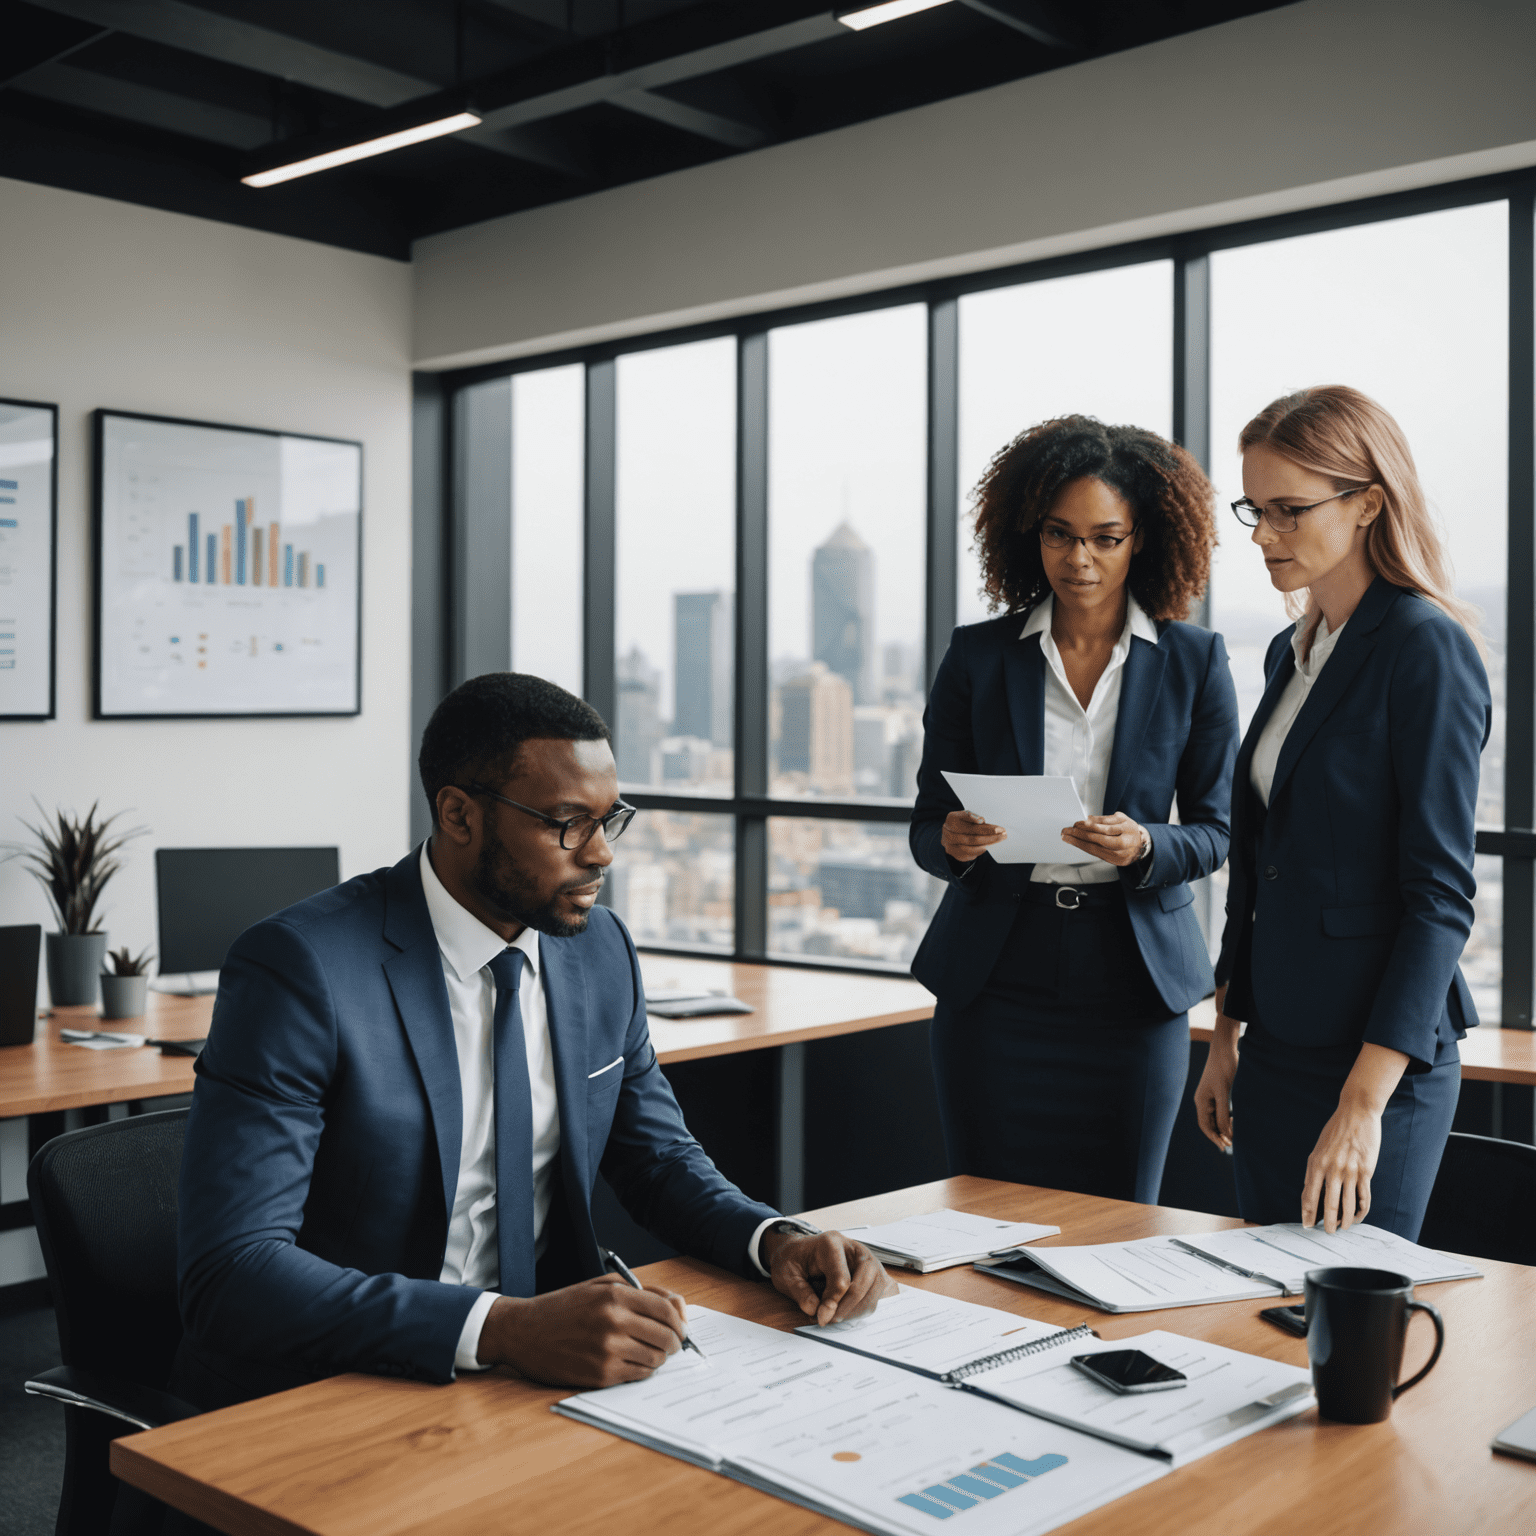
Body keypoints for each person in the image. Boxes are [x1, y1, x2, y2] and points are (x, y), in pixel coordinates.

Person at [174, 673, 894, 1410]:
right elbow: (233, 1272)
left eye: (610, 820)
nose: (601, 856)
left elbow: (657, 1158)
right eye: (566, 822)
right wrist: (503, 1329)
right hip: (353, 1378)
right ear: (459, 815)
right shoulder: (303, 967)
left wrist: (773, 1240)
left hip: (544, 1372)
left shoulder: (598, 948)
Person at [911, 415, 1239, 1203]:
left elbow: (1218, 829)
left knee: (1122, 1217)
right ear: (1030, 535)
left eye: (1105, 537)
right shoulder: (979, 656)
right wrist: (953, 840)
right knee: (983, 1215)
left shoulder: (1193, 661)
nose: (1079, 559)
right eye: (1060, 535)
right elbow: (927, 825)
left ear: (1142, 541)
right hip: (997, 977)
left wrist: (1148, 845)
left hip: (1130, 983)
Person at [1194, 386, 1490, 1240]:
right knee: (1263, 1314)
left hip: (1377, 1066)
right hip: (1277, 1047)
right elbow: (1263, 865)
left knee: (1350, 1330)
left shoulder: (1422, 646)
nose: (1261, 535)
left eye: (1289, 510)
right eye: (1255, 508)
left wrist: (1363, 1105)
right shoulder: (1297, 652)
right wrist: (1226, 1035)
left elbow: (1438, 893)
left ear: (1366, 503)